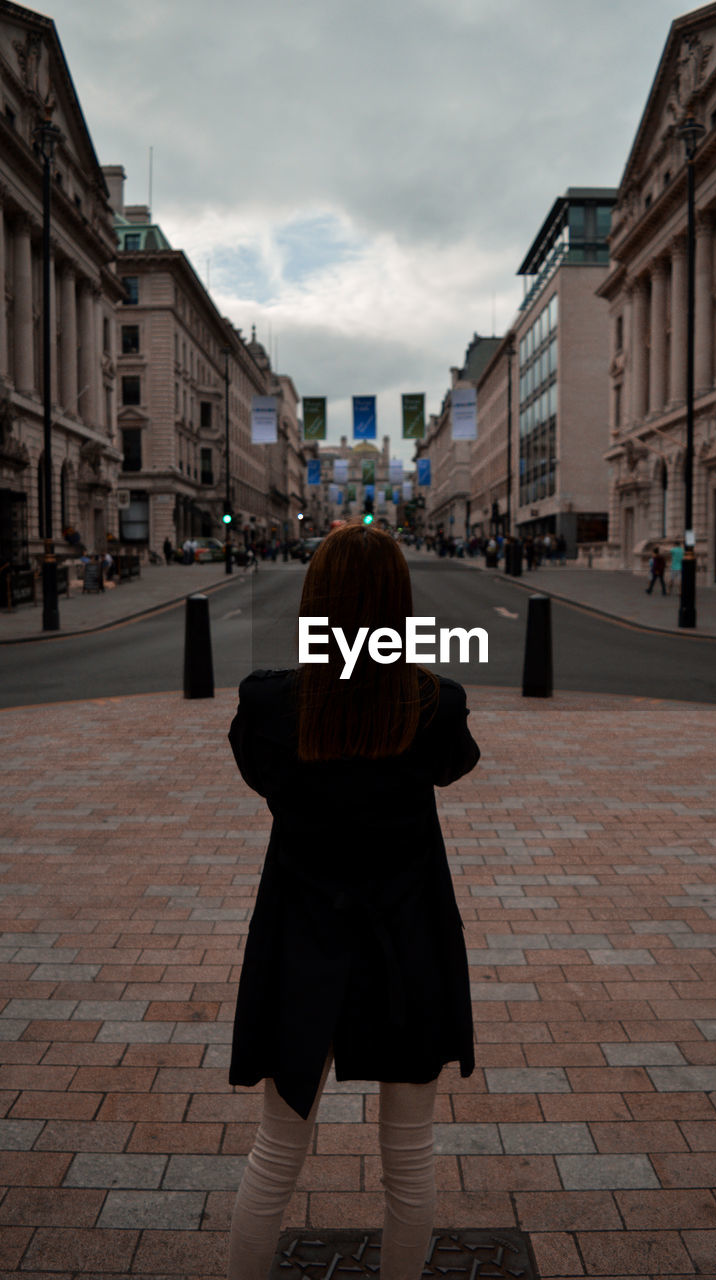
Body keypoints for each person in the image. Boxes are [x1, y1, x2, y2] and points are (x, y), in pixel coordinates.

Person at [226, 521, 479, 1280]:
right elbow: (451, 765)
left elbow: (260, 771)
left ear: (317, 603)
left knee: (276, 1151)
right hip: (408, 940)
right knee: (409, 1157)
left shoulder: (272, 706)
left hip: (301, 938)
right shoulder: (434, 704)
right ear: (399, 610)